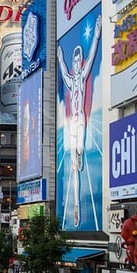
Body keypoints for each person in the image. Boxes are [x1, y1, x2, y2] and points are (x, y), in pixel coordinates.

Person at [57, 14, 102, 227]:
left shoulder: (82, 76)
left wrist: (97, 34)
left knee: (80, 152)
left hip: (80, 118)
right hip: (70, 124)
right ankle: (75, 205)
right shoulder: (70, 78)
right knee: (73, 165)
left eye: (77, 59)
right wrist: (59, 57)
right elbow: (63, 71)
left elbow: (93, 56)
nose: (76, 62)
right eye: (74, 60)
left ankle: (79, 157)